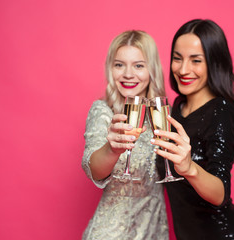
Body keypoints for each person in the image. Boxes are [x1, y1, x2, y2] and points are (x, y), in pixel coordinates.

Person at [152, 19, 234, 239]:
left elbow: (220, 194)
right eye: (177, 59)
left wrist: (190, 168)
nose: (183, 69)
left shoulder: (222, 111)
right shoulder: (177, 107)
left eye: (196, 60)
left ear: (214, 63)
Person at [81, 30, 168, 240]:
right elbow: (92, 167)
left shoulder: (163, 114)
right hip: (112, 233)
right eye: (119, 64)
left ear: (152, 69)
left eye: (138, 65)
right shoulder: (104, 110)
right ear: (111, 68)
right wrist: (112, 150)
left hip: (154, 230)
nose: (128, 74)